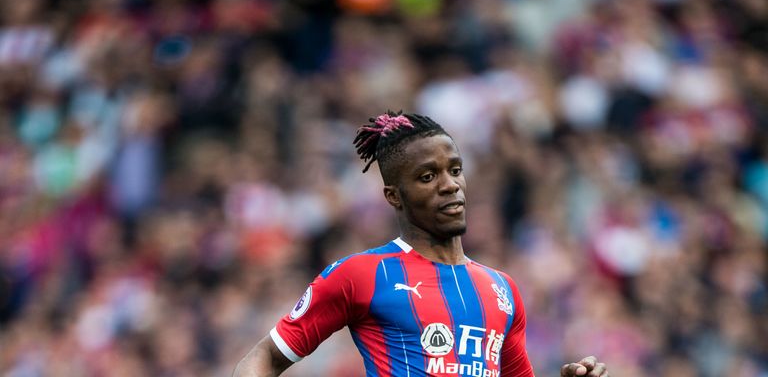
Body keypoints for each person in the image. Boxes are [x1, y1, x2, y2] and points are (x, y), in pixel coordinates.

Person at [233, 111, 609, 377]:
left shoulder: (502, 289)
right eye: (428, 176)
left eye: (455, 170)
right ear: (394, 196)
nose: (449, 185)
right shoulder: (362, 275)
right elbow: (263, 359)